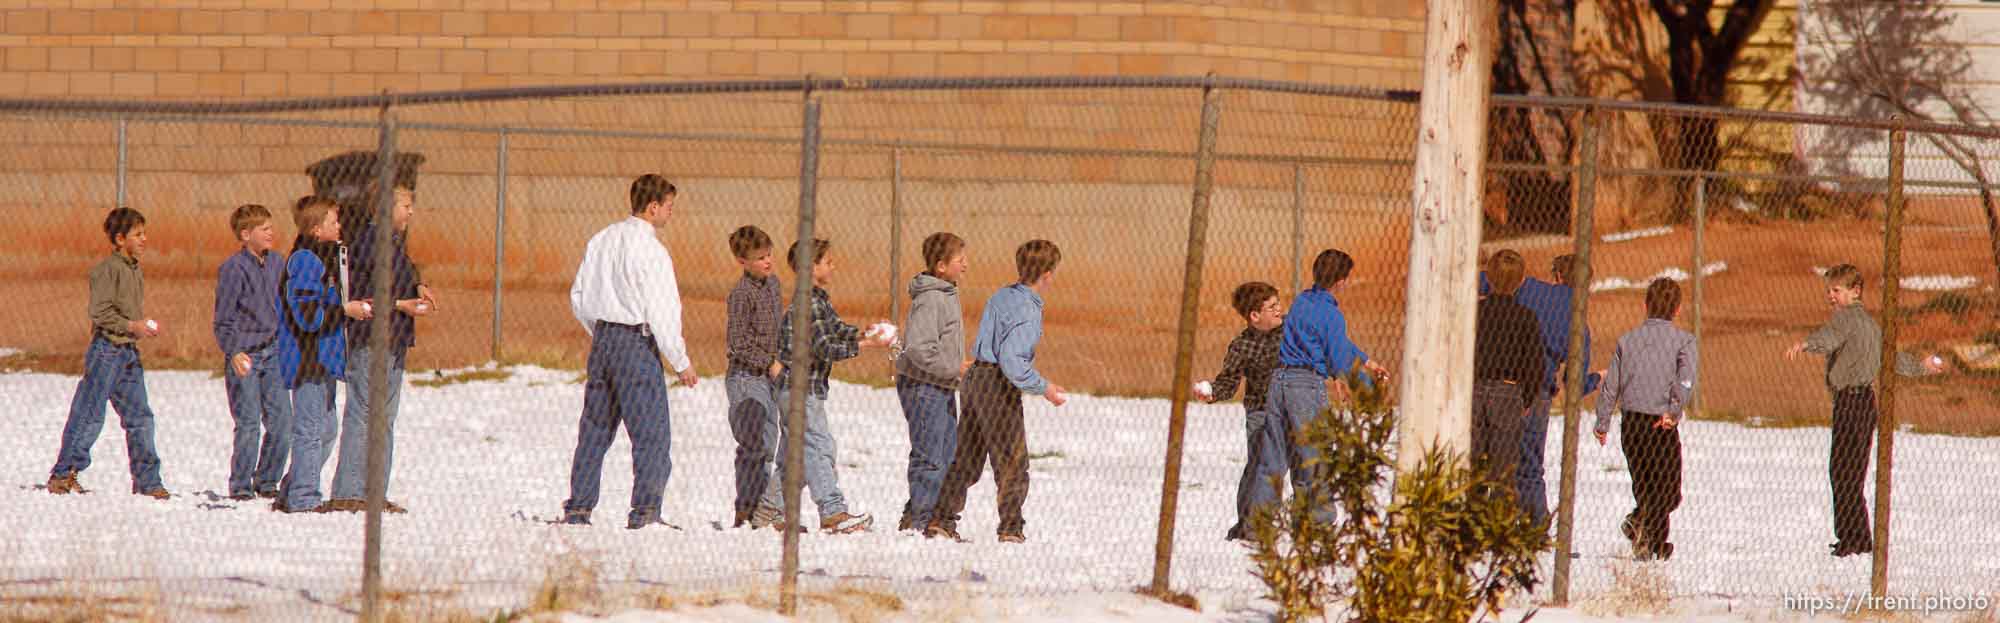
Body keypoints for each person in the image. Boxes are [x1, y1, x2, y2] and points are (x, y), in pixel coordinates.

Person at [560, 174, 699, 529]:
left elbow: (578, 296)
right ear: (653, 208)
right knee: (650, 430)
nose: (670, 213)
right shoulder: (652, 251)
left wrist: (601, 332)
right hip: (636, 344)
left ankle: (579, 507)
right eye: (668, 206)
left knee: (595, 427)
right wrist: (680, 361)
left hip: (604, 340)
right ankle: (646, 511)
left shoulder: (602, 239)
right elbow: (663, 310)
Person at [1784, 263, 1946, 558]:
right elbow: (1891, 358)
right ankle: (1858, 537)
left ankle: (1851, 539)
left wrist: (1807, 344)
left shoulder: (1845, 319)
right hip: (1866, 404)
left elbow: (1828, 338)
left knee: (1841, 471)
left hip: (1849, 403)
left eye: (1836, 290)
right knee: (1853, 472)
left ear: (1855, 291)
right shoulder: (1871, 325)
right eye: (1828, 290)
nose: (1830, 296)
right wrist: (1921, 366)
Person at [928, 240, 1068, 544]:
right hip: (997, 384)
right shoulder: (1028, 310)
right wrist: (1045, 388)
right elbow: (1012, 360)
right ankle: (1011, 528)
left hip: (976, 377)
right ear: (1047, 275)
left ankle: (942, 518)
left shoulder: (1001, 296)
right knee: (1011, 460)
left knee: (968, 455)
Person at [748, 238, 887, 534]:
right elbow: (824, 346)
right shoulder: (807, 303)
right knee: (819, 446)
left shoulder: (818, 299)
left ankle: (770, 512)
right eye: (827, 261)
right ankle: (832, 511)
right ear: (812, 267)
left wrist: (866, 332)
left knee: (794, 456)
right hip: (799, 391)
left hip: (802, 390)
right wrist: (865, 345)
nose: (833, 265)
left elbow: (837, 330)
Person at [1249, 249, 1387, 523]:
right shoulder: (1332, 315)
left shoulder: (1302, 301)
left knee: (1273, 457)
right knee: (1315, 456)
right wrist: (1366, 386)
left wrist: (1366, 360)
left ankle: (1259, 523)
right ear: (1341, 281)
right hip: (1305, 387)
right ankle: (1318, 520)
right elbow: (1337, 357)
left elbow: (1334, 342)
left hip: (1279, 383)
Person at [46, 207, 170, 500]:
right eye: (137, 234)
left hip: (128, 352)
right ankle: (63, 473)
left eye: (144, 233)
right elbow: (100, 313)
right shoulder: (106, 270)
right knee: (89, 413)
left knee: (141, 417)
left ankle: (148, 482)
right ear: (119, 239)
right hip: (106, 351)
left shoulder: (134, 268)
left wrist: (139, 329)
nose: (144, 239)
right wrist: (132, 325)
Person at [327, 180, 432, 513]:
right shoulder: (371, 243)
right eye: (405, 205)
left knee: (385, 417)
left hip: (395, 340)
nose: (411, 212)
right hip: (371, 340)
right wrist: (403, 304)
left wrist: (418, 285)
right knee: (363, 413)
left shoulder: (395, 244)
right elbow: (369, 294)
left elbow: (398, 281)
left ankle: (373, 493)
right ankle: (348, 491)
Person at [1481, 254, 1603, 528]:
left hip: (1500, 383)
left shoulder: (1530, 288)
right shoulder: (1578, 323)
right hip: (1537, 394)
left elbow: (1491, 282)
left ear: (1557, 275)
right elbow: (1575, 383)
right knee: (1530, 465)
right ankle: (1536, 525)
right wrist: (1597, 378)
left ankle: (1490, 520)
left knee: (1491, 456)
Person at [277, 195, 368, 513]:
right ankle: (303, 498)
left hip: (324, 359)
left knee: (327, 429)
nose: (340, 226)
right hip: (307, 358)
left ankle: (290, 490)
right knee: (310, 429)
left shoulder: (326, 257)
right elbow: (307, 316)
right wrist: (344, 310)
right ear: (316, 229)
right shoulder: (305, 260)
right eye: (333, 221)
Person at [1595, 278, 1696, 561]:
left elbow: (1610, 385)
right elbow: (1685, 381)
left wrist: (1603, 421)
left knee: (1647, 486)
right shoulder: (1684, 342)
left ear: (1645, 306)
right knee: (1667, 490)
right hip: (1660, 423)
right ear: (1677, 310)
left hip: (1632, 424)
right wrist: (1674, 411)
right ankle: (1644, 532)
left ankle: (1650, 541)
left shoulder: (1627, 341)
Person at [213, 203, 293, 501]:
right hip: (245, 354)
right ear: (246, 234)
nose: (271, 233)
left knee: (282, 422)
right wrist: (234, 352)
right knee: (248, 423)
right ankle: (240, 485)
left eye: (272, 227)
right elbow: (223, 319)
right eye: (265, 229)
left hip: (273, 353)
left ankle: (267, 480)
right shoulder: (233, 269)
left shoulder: (278, 263)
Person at [1194, 281, 1284, 542]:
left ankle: (1259, 522)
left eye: (1279, 304)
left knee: (1274, 467)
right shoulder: (1242, 345)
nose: (1280, 310)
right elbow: (1229, 381)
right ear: (1254, 316)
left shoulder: (1290, 330)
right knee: (1260, 465)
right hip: (1260, 412)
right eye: (1272, 307)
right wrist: (1212, 391)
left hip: (1288, 409)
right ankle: (1250, 523)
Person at [894, 232, 970, 533]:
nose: (965, 265)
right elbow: (918, 348)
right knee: (930, 454)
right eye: (959, 260)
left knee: (947, 453)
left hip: (941, 384)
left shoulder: (946, 293)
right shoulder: (931, 299)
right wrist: (955, 366)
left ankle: (926, 513)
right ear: (940, 266)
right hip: (923, 387)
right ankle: (921, 519)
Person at [1471, 250, 1543, 508]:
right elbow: (1534, 364)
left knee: (1473, 465)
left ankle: (1471, 522)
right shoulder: (1526, 317)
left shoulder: (1474, 313)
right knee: (1504, 469)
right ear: (1522, 280)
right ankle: (1499, 525)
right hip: (1508, 391)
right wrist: (1526, 398)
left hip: (1475, 390)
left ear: (1487, 277)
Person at [723, 225, 782, 528]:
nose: (768, 262)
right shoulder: (740, 295)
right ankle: (745, 508)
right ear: (742, 261)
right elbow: (738, 341)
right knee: (752, 443)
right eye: (760, 258)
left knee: (769, 443)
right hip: (747, 377)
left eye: (769, 254)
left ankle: (763, 508)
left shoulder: (773, 285)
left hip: (770, 377)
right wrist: (768, 361)